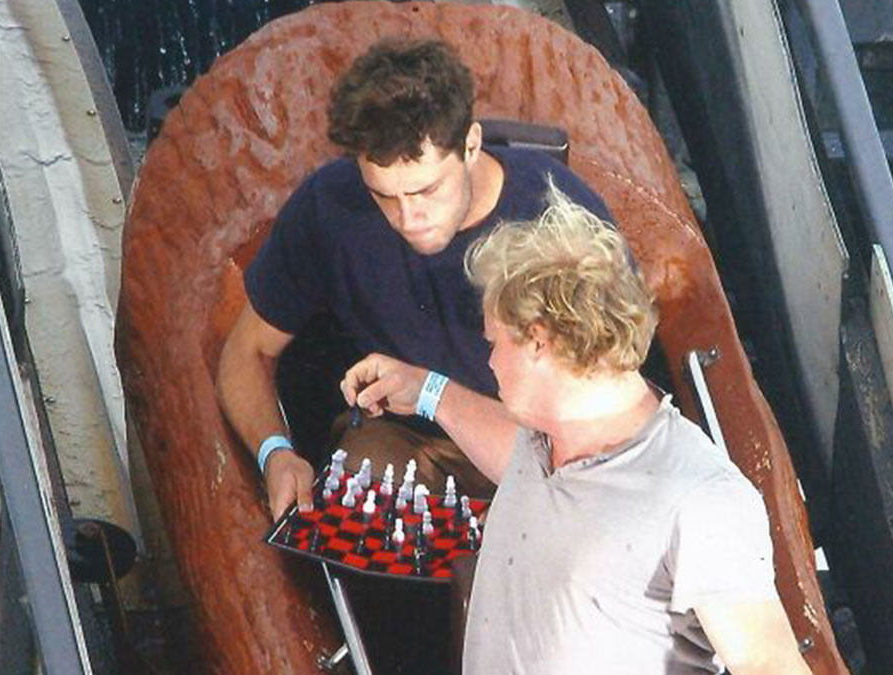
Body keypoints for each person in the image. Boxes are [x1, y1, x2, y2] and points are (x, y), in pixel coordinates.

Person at [341, 185, 813, 674]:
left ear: (539, 342)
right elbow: (519, 463)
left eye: (495, 344)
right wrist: (426, 389)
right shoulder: (546, 437)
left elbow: (768, 662)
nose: (490, 362)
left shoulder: (700, 500)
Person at [215, 38, 612, 520]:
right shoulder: (328, 206)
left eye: (427, 189)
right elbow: (246, 351)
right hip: (407, 440)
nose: (409, 217)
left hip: (539, 443)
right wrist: (274, 452)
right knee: (354, 496)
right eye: (384, 196)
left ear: (470, 145)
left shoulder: (558, 215)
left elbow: (606, 420)